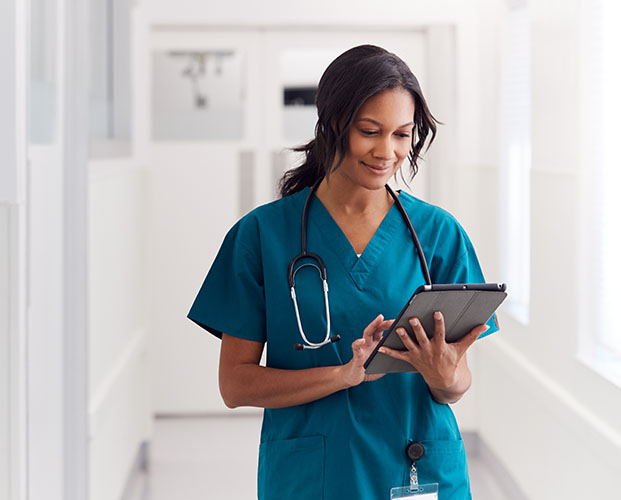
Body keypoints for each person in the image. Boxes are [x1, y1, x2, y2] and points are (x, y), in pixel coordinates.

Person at [187, 44, 499, 500]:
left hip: (416, 467)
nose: (386, 151)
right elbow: (235, 385)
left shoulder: (437, 235)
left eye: (401, 134)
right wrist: (343, 374)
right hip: (314, 475)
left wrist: (444, 374)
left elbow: (455, 385)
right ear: (332, 124)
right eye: (369, 131)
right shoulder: (261, 236)